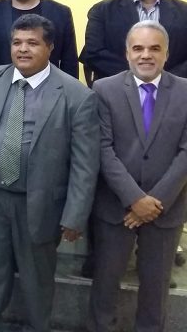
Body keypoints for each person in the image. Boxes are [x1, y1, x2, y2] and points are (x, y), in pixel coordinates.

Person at [0, 14, 100, 332]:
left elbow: (85, 164)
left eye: (32, 43)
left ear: (50, 47)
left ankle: (38, 326)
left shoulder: (76, 95)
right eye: (17, 43)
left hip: (40, 203)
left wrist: (76, 215)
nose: (22, 49)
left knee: (37, 275)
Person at [88, 21, 187, 332]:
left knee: (156, 288)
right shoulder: (104, 90)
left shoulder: (185, 91)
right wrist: (134, 199)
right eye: (138, 48)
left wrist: (154, 201)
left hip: (165, 208)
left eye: (155, 48)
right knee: (105, 283)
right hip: (115, 207)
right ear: (127, 53)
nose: (146, 55)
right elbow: (102, 149)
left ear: (166, 54)